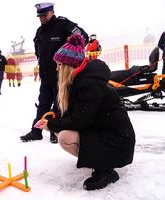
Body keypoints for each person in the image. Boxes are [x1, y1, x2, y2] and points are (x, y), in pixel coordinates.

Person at [34, 34, 135, 190]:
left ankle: (106, 169)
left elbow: (79, 121)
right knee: (58, 130)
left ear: (68, 66)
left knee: (64, 137)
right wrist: (53, 119)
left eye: (59, 64)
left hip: (118, 143)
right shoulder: (79, 79)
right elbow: (74, 113)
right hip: (104, 133)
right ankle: (98, 159)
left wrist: (52, 124)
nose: (57, 68)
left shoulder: (90, 84)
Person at [20, 2, 89, 143]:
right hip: (46, 75)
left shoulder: (63, 24)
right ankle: (36, 131)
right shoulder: (40, 31)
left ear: (52, 12)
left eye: (44, 15)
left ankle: (55, 131)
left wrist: (70, 53)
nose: (42, 18)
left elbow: (83, 37)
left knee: (59, 104)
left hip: (61, 74)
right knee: (43, 104)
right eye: (40, 16)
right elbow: (38, 51)